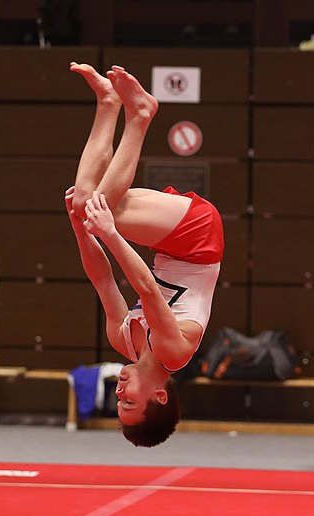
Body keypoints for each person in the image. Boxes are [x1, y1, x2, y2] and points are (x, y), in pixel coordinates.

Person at [66, 63, 224, 447]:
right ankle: (139, 114)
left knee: (85, 201)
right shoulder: (174, 353)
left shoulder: (124, 341)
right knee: (101, 210)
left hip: (168, 247)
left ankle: (108, 103)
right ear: (159, 395)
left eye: (117, 402)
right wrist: (107, 232)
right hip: (198, 240)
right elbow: (149, 291)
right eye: (129, 401)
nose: (119, 393)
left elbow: (101, 279)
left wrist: (79, 225)